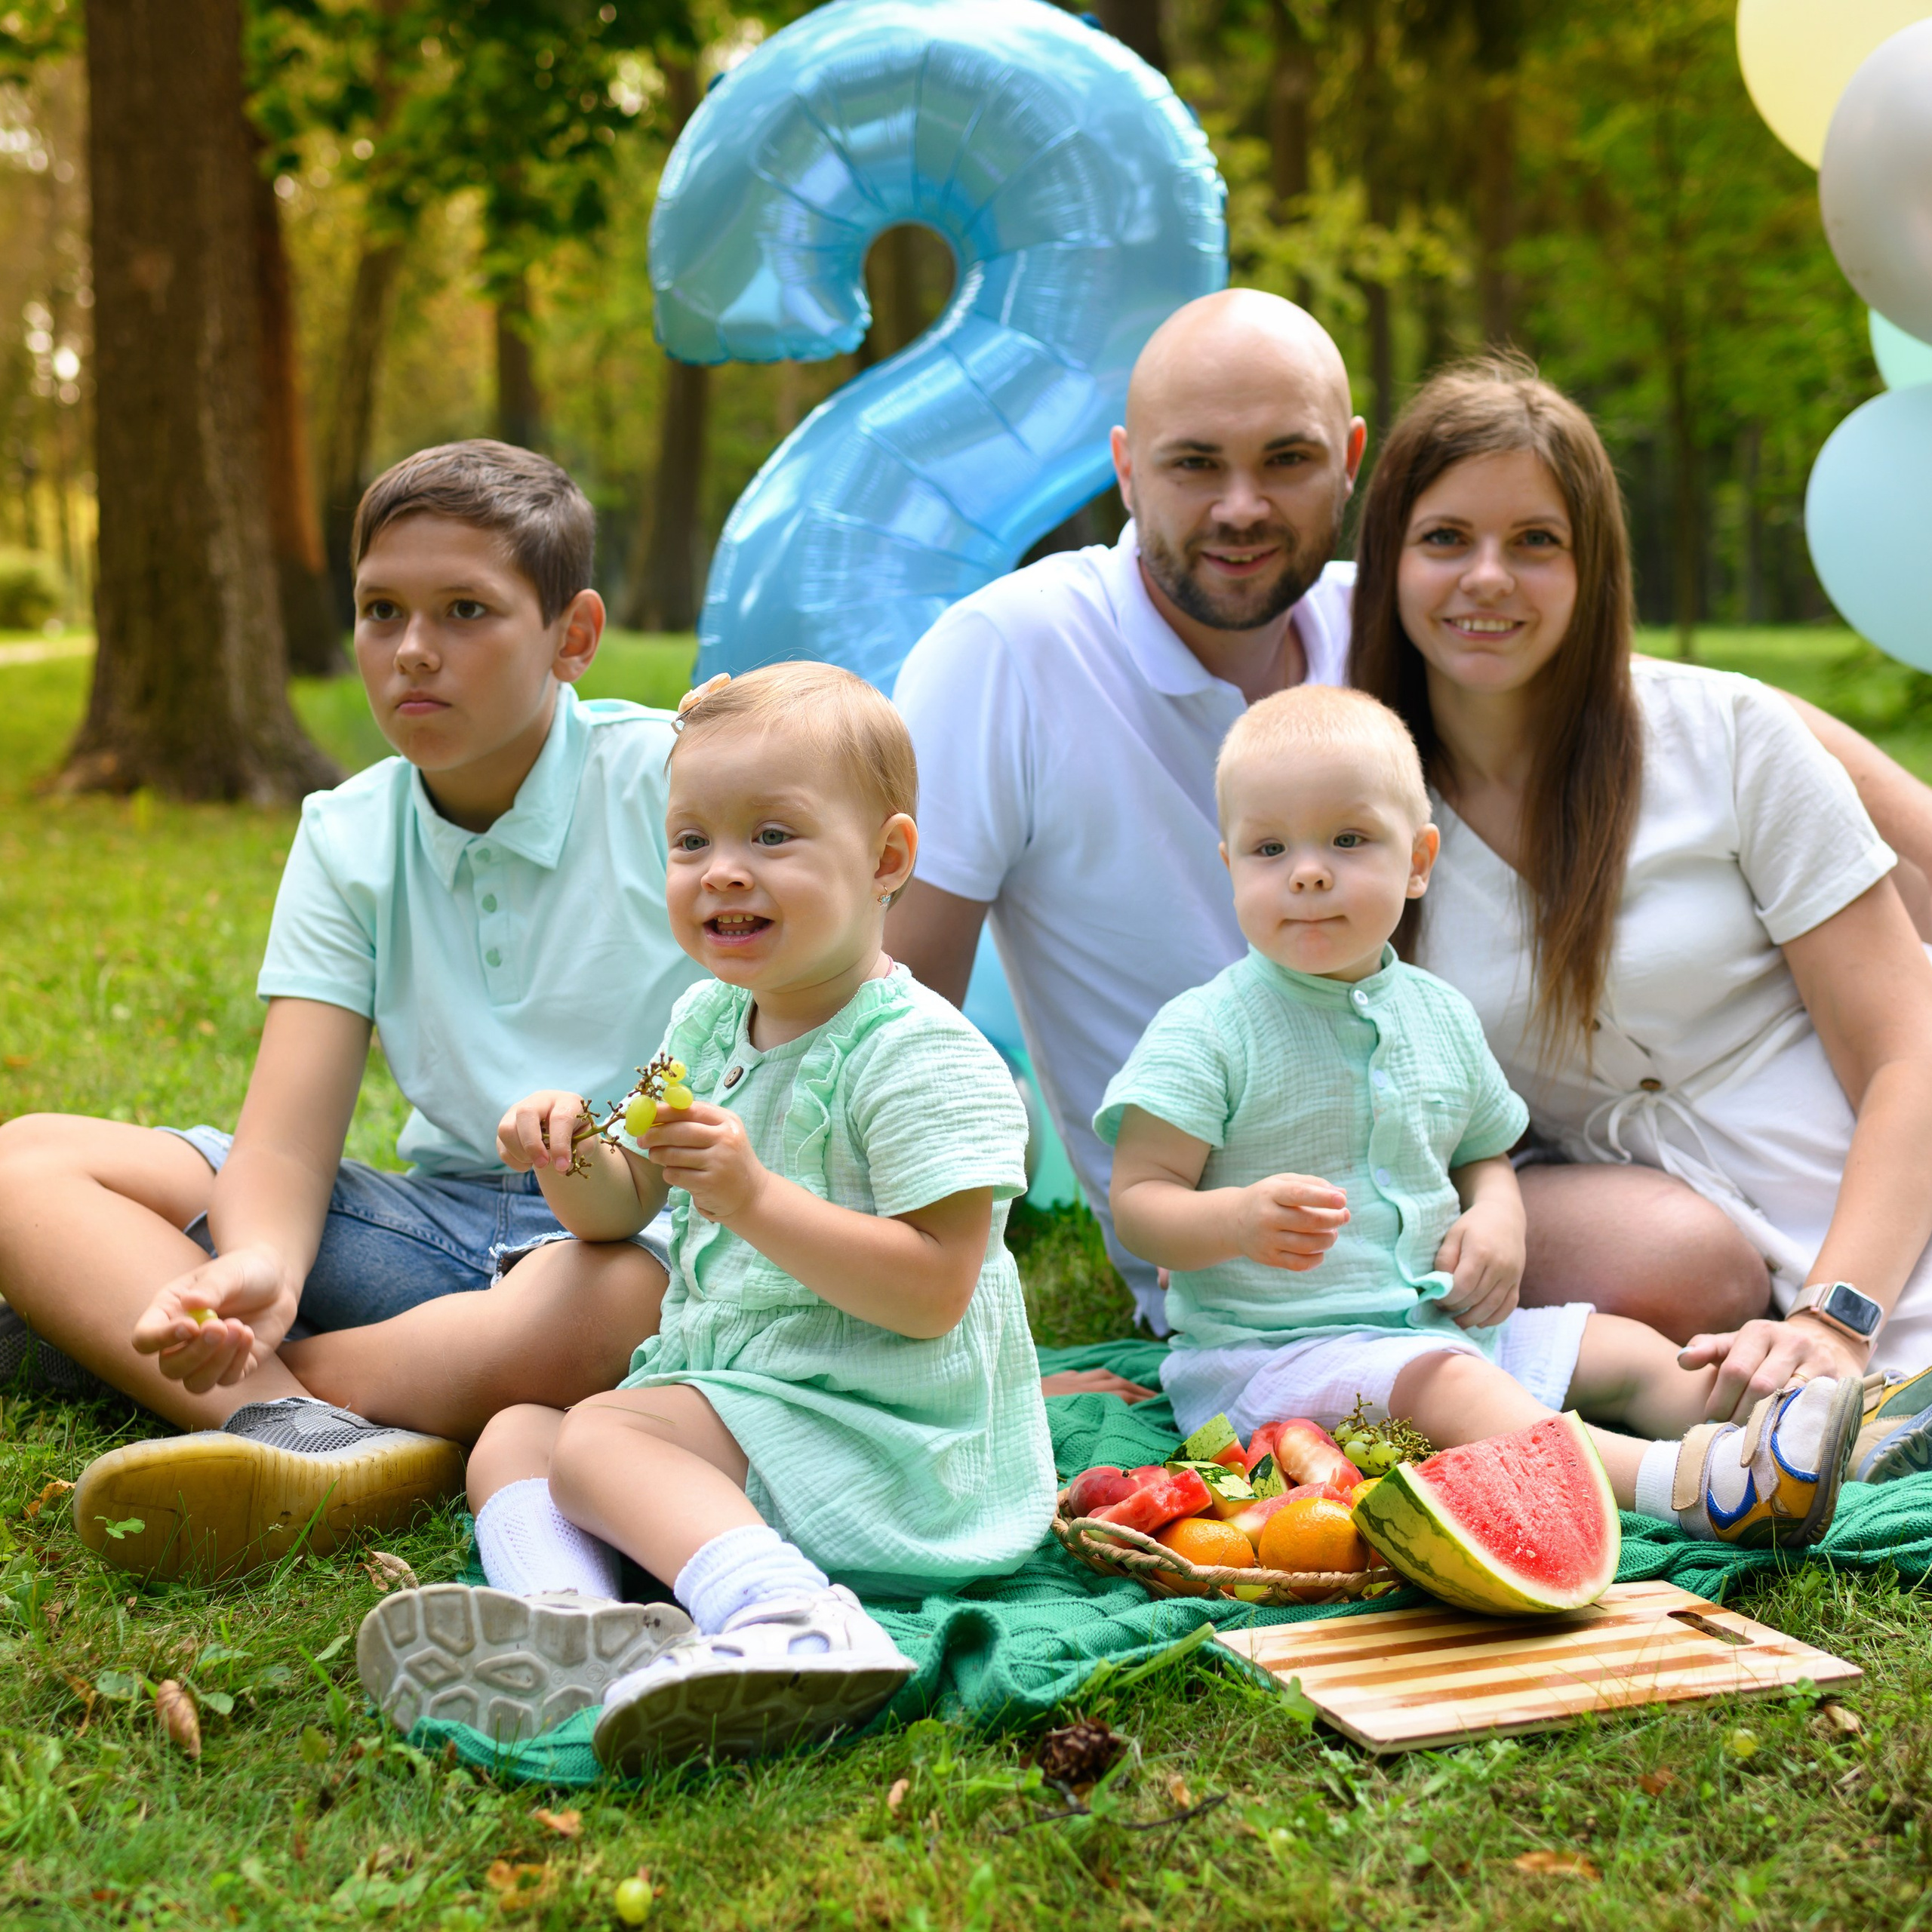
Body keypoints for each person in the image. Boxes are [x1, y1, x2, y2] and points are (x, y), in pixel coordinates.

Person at [889, 288, 1932, 1348]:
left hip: (1480, 1171)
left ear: (1347, 463)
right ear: (1125, 465)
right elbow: (893, 1016)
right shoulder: (1010, 656)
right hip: (1235, 1220)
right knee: (1684, 1266)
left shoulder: (1407, 626)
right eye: (1195, 463)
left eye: (1286, 460)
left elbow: (1677, 711)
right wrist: (953, 1337)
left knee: (1688, 1267)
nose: (1241, 506)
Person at [0, 442, 703, 1577]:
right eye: (381, 612)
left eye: (466, 610)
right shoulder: (346, 830)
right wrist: (262, 1269)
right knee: (23, 1166)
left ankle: (275, 1384)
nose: (413, 651)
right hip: (434, 1232)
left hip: (637, 1237)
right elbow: (285, 1134)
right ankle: (308, 1435)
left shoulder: (674, 784)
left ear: (573, 636)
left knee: (604, 1310)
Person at [357, 664, 1055, 1768]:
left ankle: (795, 1621)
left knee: (603, 1436)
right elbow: (621, 1203)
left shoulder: (923, 1056)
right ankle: (577, 1631)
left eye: (773, 836)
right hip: (753, 1399)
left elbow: (934, 1292)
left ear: (887, 861)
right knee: (520, 1437)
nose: (724, 872)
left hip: (888, 1435)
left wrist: (754, 1198)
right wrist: (571, 1150)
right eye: (692, 843)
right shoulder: (710, 1017)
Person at [1101, 683, 1897, 1548]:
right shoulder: (1209, 1030)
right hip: (1276, 1363)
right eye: (1269, 848)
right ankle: (1689, 1488)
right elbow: (1141, 1198)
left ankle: (1816, 1432)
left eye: (1348, 838)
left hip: (1434, 1324)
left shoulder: (1437, 1014)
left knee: (1624, 1349)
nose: (1308, 870)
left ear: (1419, 859)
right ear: (1230, 868)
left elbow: (1482, 1150)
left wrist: (1500, 1217)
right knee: (1455, 1390)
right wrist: (1233, 1220)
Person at [1346, 358, 1932, 1461]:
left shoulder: (1728, 737)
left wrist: (1837, 1315)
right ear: (1386, 562)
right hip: (1608, 1211)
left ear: (1592, 565)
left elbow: (1907, 1051)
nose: (1488, 578)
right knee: (1676, 1262)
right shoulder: (1358, 798)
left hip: (1859, 1151)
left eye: (1535, 541)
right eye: (1445, 539)